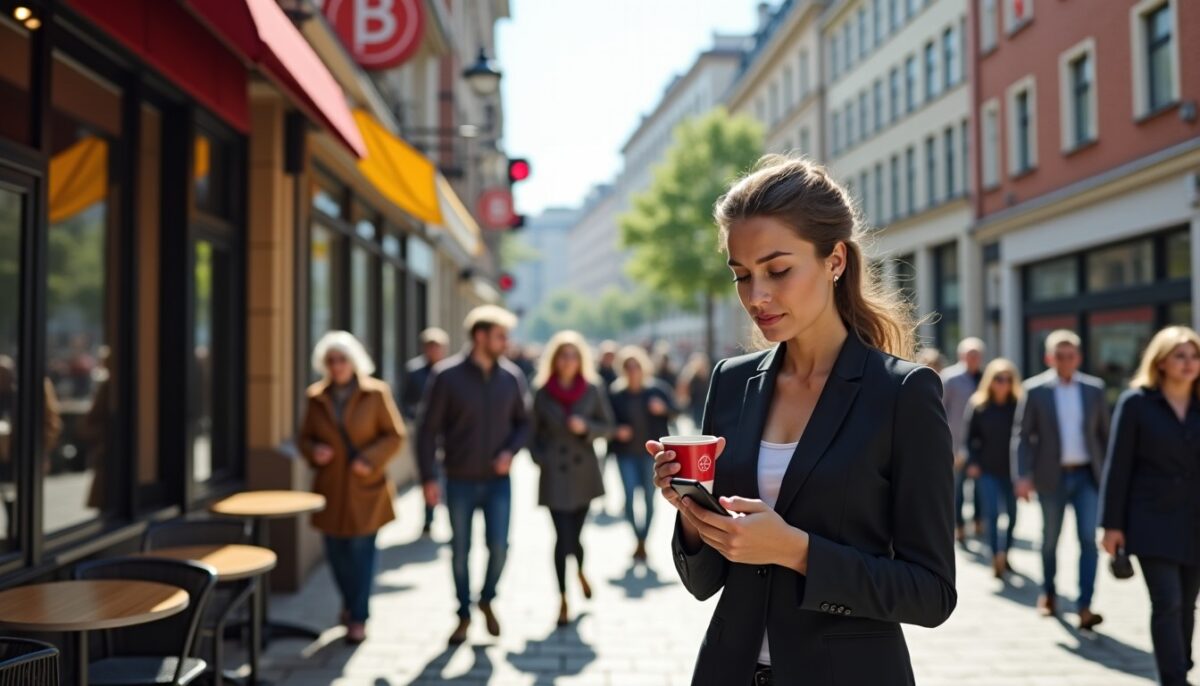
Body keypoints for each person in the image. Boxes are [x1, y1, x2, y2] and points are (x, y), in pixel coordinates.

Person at [651, 155, 956, 686]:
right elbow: (705, 582)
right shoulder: (730, 381)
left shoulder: (902, 393)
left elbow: (930, 593)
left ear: (834, 259)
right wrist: (691, 516)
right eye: (742, 276)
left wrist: (798, 552)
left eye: (778, 270)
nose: (756, 297)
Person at [417, 305, 530, 645]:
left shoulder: (511, 377)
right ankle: (463, 614)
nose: (506, 342)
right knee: (460, 550)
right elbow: (426, 430)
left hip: (499, 482)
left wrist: (510, 451)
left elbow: (524, 424)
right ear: (480, 336)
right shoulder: (446, 376)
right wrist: (428, 478)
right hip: (459, 479)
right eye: (500, 335)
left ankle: (487, 598)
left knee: (499, 547)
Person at [1100, 326, 1200, 686]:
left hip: (1194, 520)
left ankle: (1181, 666)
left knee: (1188, 604)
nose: (1189, 363)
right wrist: (1111, 525)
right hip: (1150, 518)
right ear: (1160, 362)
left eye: (1194, 356)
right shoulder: (1136, 402)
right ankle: (1173, 678)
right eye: (1180, 356)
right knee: (1168, 601)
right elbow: (1118, 465)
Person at [298, 331, 406, 644]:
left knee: (361, 554)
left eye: (342, 359)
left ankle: (358, 617)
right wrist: (314, 451)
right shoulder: (316, 397)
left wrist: (370, 459)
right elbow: (304, 437)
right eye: (330, 360)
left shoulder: (375, 393)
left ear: (354, 360)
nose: (337, 366)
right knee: (335, 554)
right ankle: (349, 603)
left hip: (365, 487)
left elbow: (394, 435)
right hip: (331, 488)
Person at [1014, 329, 1109, 630]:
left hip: (1086, 476)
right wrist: (1022, 476)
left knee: (1087, 540)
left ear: (1078, 357)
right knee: (1050, 540)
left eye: (1071, 356)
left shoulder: (1094, 389)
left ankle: (1084, 605)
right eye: (1059, 356)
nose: (1066, 361)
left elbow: (1105, 436)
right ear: (1049, 357)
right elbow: (1022, 437)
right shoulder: (1035, 389)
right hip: (1050, 477)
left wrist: (1109, 476)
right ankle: (1050, 594)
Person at [529, 331, 614, 626]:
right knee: (560, 537)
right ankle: (563, 598)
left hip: (583, 472)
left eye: (573, 355)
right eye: (563, 355)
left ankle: (579, 569)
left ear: (581, 360)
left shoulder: (592, 389)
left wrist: (586, 427)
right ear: (554, 359)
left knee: (575, 537)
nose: (568, 361)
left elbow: (608, 426)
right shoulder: (542, 391)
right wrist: (540, 457)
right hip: (554, 472)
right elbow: (532, 431)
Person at [609, 345, 678, 563]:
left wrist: (663, 409)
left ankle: (643, 541)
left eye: (636, 365)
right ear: (622, 369)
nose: (632, 370)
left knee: (649, 500)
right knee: (629, 498)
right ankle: (637, 539)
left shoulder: (657, 390)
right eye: (627, 367)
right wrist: (616, 430)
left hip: (653, 457)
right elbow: (605, 421)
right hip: (625, 454)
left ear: (643, 367)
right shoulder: (616, 394)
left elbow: (677, 410)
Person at [964, 358, 1023, 579]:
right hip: (987, 469)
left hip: (1013, 471)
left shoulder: (1018, 405)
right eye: (998, 379)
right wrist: (973, 462)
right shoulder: (979, 405)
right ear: (990, 381)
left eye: (1008, 379)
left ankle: (1004, 554)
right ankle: (995, 555)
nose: (1003, 383)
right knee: (992, 515)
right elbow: (970, 439)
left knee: (1013, 516)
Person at [404, 327, 450, 538]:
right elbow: (404, 399)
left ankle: (448, 511)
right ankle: (429, 516)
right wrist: (415, 415)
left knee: (444, 473)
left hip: (447, 433)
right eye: (430, 346)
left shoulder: (450, 372)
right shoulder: (414, 371)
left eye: (437, 346)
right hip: (424, 430)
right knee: (428, 473)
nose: (433, 350)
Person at [941, 337, 986, 544]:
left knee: (979, 487)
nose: (974, 359)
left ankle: (978, 521)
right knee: (957, 489)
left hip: (980, 446)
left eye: (977, 355)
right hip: (955, 445)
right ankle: (958, 526)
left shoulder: (985, 378)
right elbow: (940, 411)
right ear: (962, 356)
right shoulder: (950, 378)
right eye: (970, 354)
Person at [677, 352, 712, 431]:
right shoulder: (690, 375)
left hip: (704, 404)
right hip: (694, 407)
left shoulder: (706, 375)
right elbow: (683, 388)